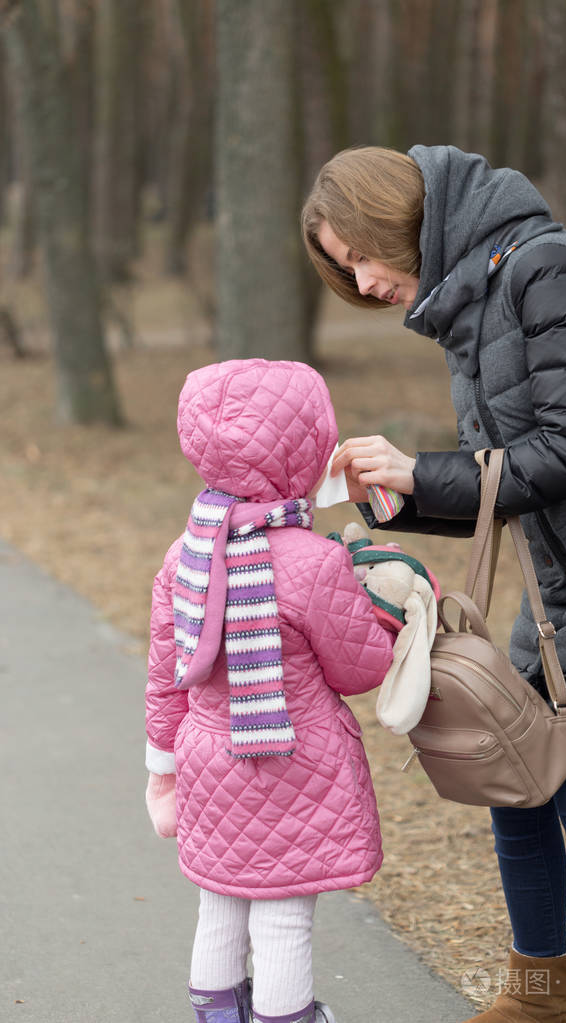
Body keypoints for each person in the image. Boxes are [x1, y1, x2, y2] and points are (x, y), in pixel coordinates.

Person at [302, 145, 566, 1023]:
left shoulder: (552, 271)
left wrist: (420, 466)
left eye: (361, 255)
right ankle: (539, 996)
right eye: (344, 269)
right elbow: (505, 482)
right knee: (514, 779)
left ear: (399, 218)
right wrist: (396, 495)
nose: (363, 281)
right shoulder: (477, 304)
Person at [144, 358, 395, 1023]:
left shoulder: (184, 556)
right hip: (297, 765)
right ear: (305, 448)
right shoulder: (315, 561)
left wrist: (162, 768)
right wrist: (386, 617)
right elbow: (360, 670)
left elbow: (165, 675)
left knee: (219, 906)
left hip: (207, 762)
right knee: (283, 920)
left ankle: (218, 1016)